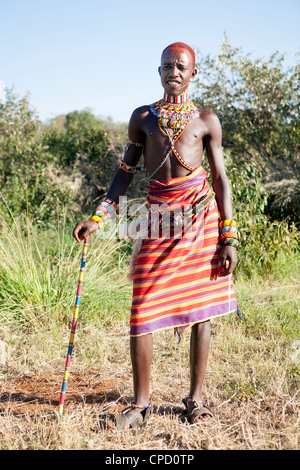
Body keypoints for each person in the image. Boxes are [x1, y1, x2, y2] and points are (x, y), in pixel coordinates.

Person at [73, 42, 239, 429]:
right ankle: (140, 405)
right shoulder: (143, 118)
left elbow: (219, 180)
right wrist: (99, 216)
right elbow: (125, 172)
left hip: (201, 222)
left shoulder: (206, 121)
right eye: (167, 66)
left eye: (181, 66)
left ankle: (195, 401)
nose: (174, 72)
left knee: (202, 311)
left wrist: (228, 236)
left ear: (193, 73)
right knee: (142, 307)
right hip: (156, 221)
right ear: (159, 70)